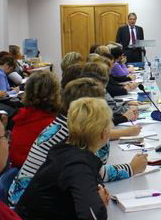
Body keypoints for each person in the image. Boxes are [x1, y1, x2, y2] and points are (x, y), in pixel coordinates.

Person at [8, 77, 146, 206]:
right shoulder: (71, 134)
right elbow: (97, 172)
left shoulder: (63, 123)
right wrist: (131, 168)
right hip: (29, 208)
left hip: (29, 200)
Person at [16, 97, 112, 220]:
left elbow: (92, 179)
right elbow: (94, 217)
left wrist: (97, 190)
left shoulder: (65, 149)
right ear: (102, 133)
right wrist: (98, 202)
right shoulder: (77, 163)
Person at [9, 71, 61, 168]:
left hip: (18, 169)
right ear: (55, 93)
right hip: (37, 172)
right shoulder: (54, 125)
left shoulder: (21, 116)